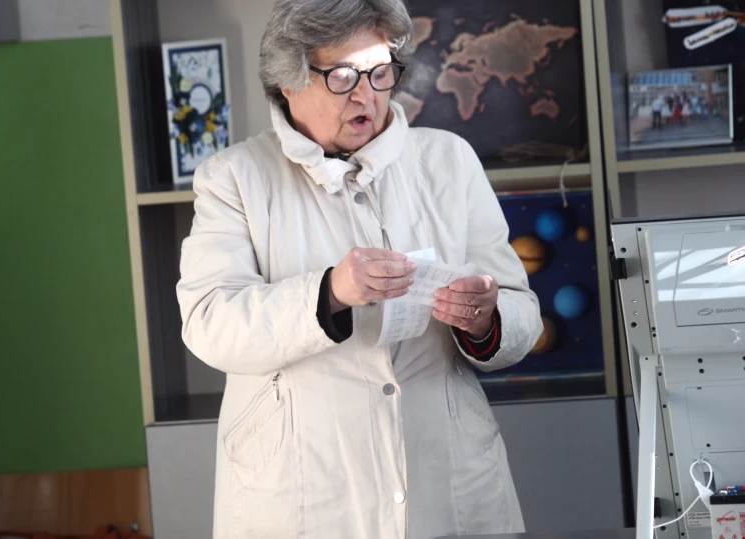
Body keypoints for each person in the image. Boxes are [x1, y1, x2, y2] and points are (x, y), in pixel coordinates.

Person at [175, 0, 544, 537]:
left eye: (380, 73)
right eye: (343, 76)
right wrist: (329, 292)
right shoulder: (233, 178)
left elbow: (521, 313)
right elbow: (211, 324)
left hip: (447, 479)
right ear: (288, 81)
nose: (366, 95)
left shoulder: (450, 160)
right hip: (303, 492)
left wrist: (486, 319)